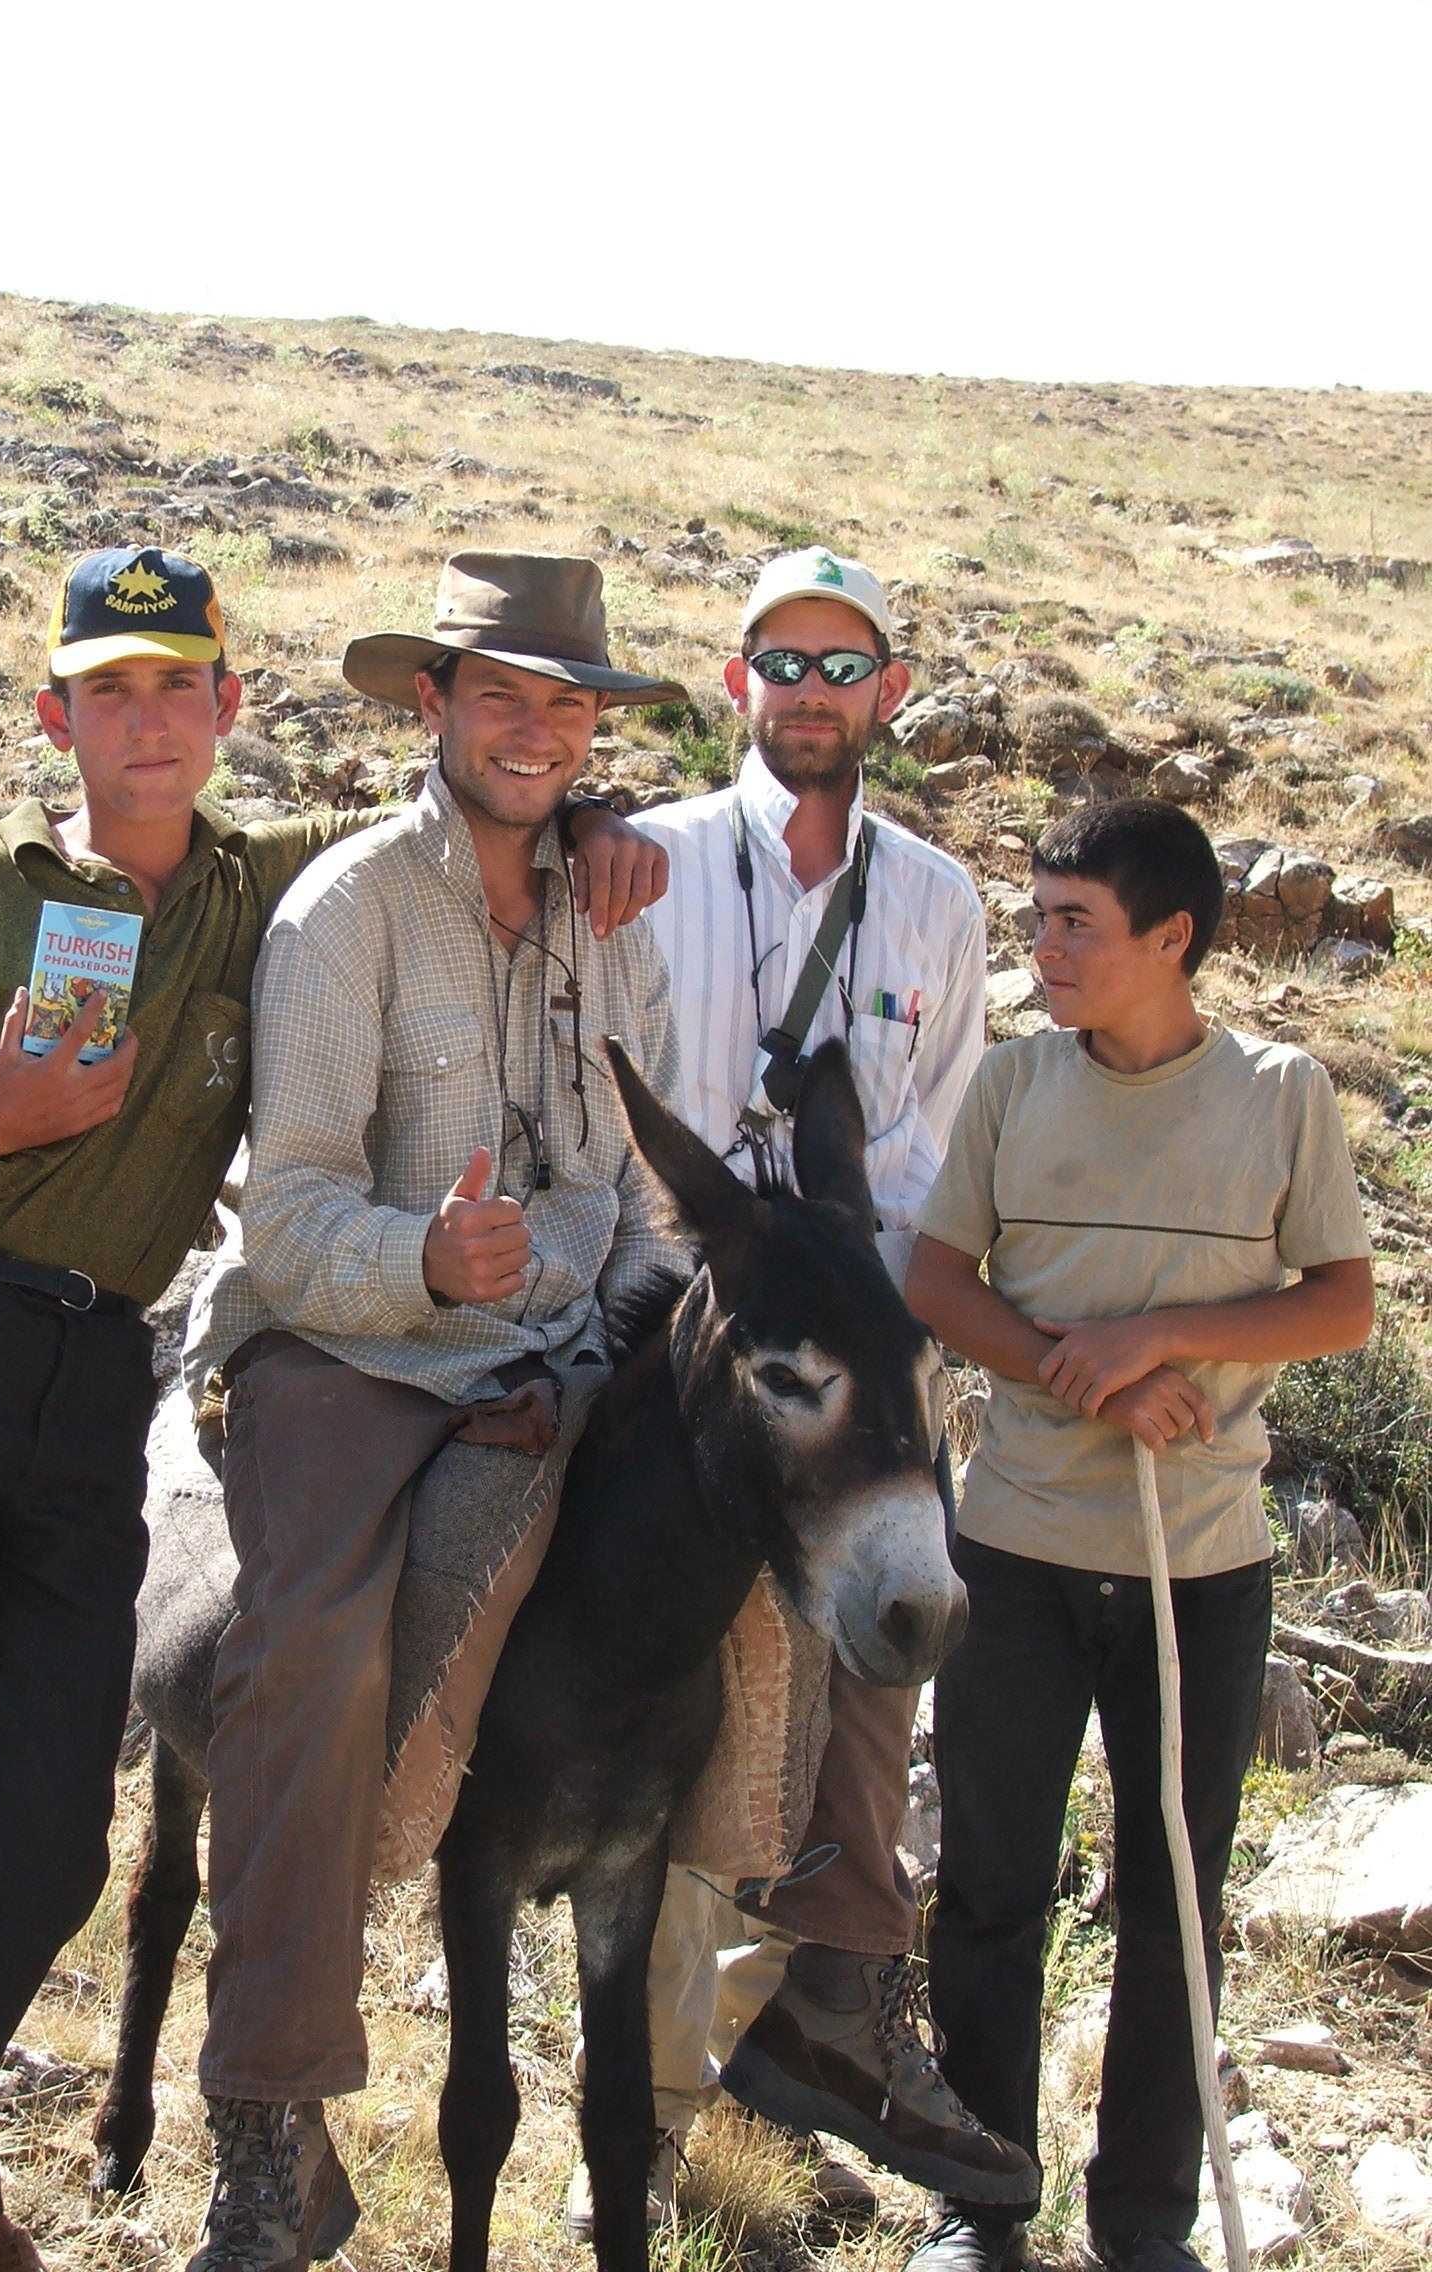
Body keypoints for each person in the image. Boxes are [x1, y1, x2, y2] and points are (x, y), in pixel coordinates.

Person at [0, 546, 657, 2272]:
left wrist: (603, 820)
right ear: (54, 713)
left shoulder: (266, 886)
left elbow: (484, 797)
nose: (147, 722)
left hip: (94, 1377)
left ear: (232, 707)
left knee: (47, 1827)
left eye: (180, 686)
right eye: (110, 689)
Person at [178, 550, 694, 2272]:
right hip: (350, 1344)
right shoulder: (341, 915)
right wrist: (436, 1257)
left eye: (568, 704)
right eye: (503, 694)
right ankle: (265, 2115)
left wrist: (594, 1326)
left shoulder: (609, 917)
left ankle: (824, 1997)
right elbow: (293, 1216)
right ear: (434, 705)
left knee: (761, 1566)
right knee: (312, 1647)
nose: (537, 731)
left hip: (559, 1338)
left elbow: (629, 1189)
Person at [575, 546, 1031, 2233]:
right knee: (659, 1704)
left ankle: (825, 2009)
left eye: (846, 664)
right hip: (682, 1322)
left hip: (869, 1340)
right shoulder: (651, 861)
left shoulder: (936, 901)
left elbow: (948, 1129)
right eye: (785, 660)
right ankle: (631, 2094)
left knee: (875, 1659)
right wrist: (585, 823)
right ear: (734, 680)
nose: (815, 691)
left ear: (891, 692)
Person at [902, 798, 1375, 2272]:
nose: (1039, 950)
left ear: (1170, 939)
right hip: (1020, 1553)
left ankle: (1147, 2224)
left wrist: (1160, 1329)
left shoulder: (1282, 1090)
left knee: (1176, 1898)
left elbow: (1343, 1303)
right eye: (1034, 919)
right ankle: (981, 2206)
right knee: (989, 1888)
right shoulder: (1013, 1085)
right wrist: (1069, 1361)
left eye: (1071, 924)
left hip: (1208, 1562)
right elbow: (935, 1273)